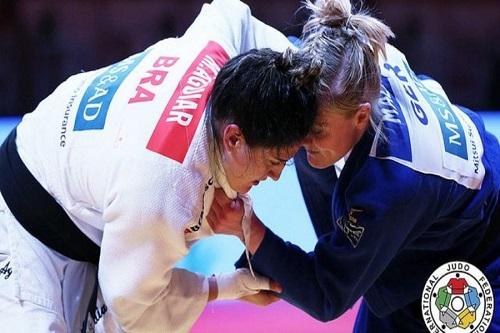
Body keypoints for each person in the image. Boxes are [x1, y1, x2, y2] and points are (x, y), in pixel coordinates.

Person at [0, 0, 321, 332]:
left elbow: (232, 12)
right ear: (234, 140)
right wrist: (227, 286)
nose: (276, 175)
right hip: (25, 219)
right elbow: (132, 308)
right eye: (274, 160)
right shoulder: (164, 187)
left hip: (88, 196)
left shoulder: (214, 57)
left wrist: (315, 85)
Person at [207, 0, 500, 331]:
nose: (303, 140)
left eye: (317, 131)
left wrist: (247, 229)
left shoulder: (389, 186)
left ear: (362, 116)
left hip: (482, 256)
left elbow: (326, 294)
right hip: (422, 228)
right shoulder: (335, 63)